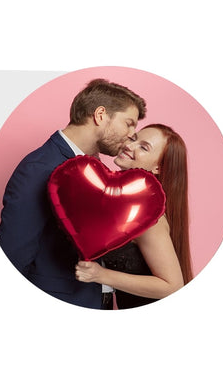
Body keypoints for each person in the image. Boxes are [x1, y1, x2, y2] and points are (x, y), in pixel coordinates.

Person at [0, 78, 145, 309]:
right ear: (100, 115)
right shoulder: (39, 168)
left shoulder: (97, 168)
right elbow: (13, 256)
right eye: (128, 123)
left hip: (99, 301)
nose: (131, 134)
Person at [74, 123, 193, 309]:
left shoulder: (149, 217)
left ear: (158, 168)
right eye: (134, 139)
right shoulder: (123, 201)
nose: (129, 146)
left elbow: (172, 286)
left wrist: (101, 275)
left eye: (144, 147)